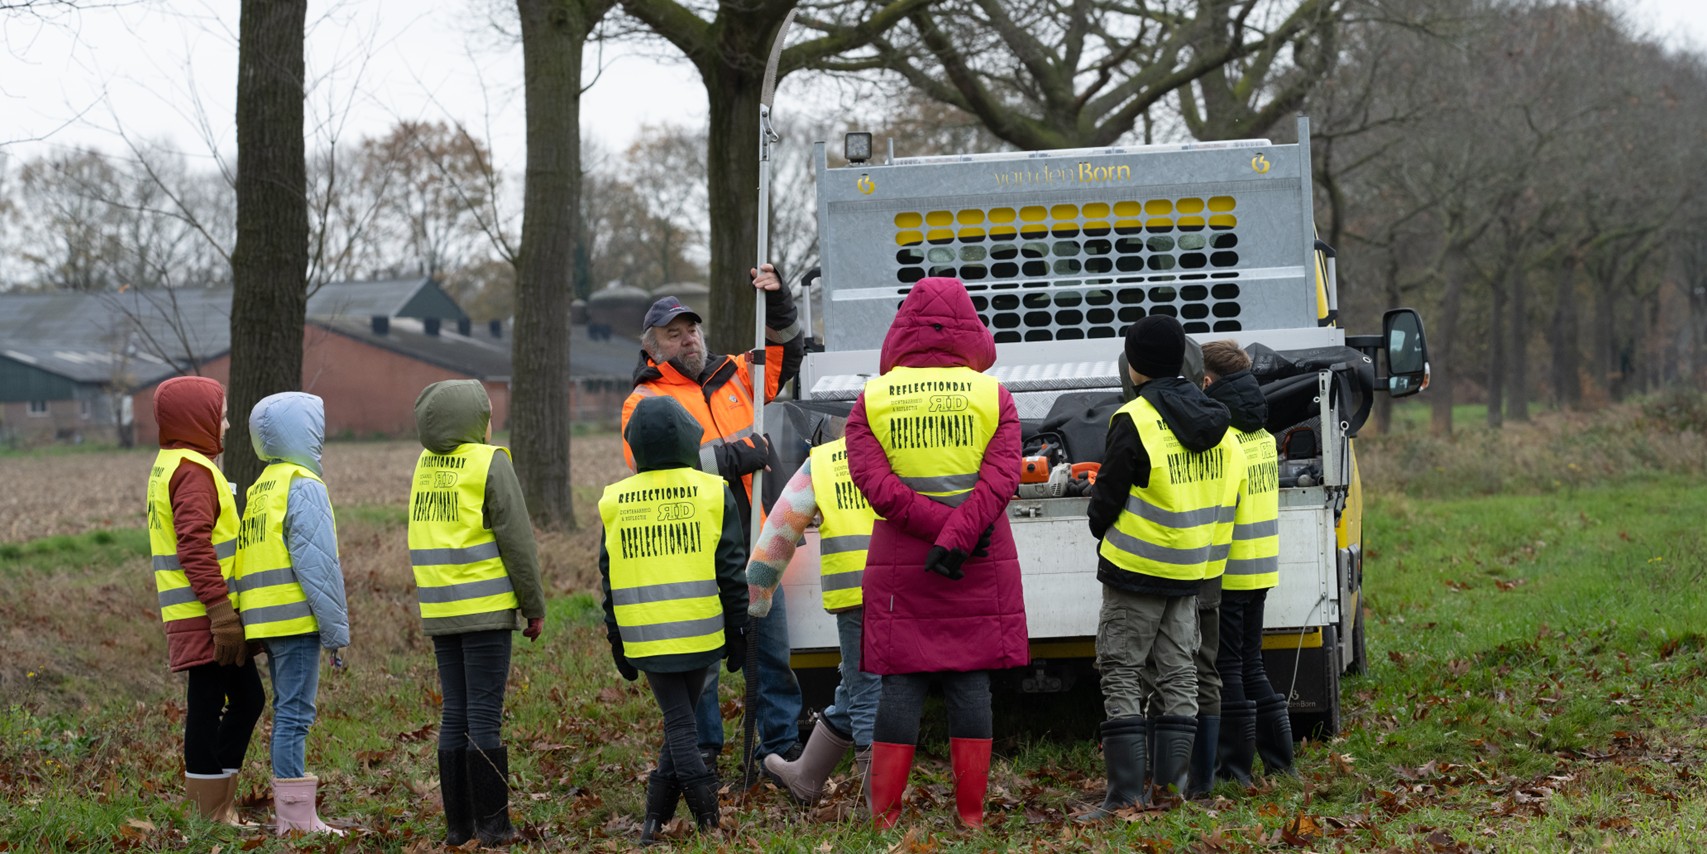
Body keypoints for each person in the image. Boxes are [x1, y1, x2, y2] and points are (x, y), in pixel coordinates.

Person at [844, 276, 1027, 829]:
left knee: (900, 682)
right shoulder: (993, 396)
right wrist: (959, 534)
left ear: (904, 327)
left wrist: (935, 529)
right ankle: (971, 817)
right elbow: (1001, 480)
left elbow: (874, 484)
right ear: (969, 325)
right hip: (979, 555)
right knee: (971, 681)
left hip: (903, 563)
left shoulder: (871, 400)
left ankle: (885, 819)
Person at [619, 264, 806, 775]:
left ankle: (782, 746)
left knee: (772, 654)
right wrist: (733, 458)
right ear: (652, 349)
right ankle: (704, 748)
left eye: (691, 330)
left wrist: (780, 300)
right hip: (691, 549)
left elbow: (788, 353)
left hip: (756, 540)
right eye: (673, 335)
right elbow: (649, 468)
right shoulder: (643, 401)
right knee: (698, 660)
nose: (688, 340)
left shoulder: (737, 373)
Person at [1083, 316, 1244, 816]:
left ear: (1133, 366)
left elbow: (1106, 500)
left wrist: (1099, 520)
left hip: (1134, 572)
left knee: (1121, 674)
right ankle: (1172, 794)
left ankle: (1125, 795)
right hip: (1190, 571)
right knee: (1180, 676)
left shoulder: (1133, 420)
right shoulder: (1221, 422)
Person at [600, 396, 750, 844]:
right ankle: (710, 823)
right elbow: (731, 568)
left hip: (646, 639)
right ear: (689, 438)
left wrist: (616, 638)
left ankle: (653, 824)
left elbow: (609, 578)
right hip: (702, 633)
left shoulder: (615, 500)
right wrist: (739, 627)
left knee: (677, 725)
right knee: (682, 727)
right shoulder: (711, 491)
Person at [408, 380, 547, 847]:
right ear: (472, 419)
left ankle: (458, 826)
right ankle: (494, 827)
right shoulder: (490, 461)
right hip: (485, 610)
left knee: (455, 714)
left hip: (440, 610)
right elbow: (518, 541)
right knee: (485, 716)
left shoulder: (425, 466)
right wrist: (534, 605)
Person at [145, 376, 264, 825]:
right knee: (210, 704)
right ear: (198, 418)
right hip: (204, 614)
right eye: (222, 414)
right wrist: (221, 614)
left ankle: (219, 807)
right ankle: (210, 815)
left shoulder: (173, 462)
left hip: (202, 611)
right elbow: (193, 545)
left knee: (246, 700)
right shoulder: (191, 471)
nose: (228, 424)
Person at [233, 392, 350, 835]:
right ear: (304, 433)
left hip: (266, 620)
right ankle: (296, 822)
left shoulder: (263, 487)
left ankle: (293, 816)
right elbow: (318, 563)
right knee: (295, 715)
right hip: (297, 620)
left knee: (286, 712)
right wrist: (336, 631)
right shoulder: (304, 485)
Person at [747, 434, 880, 806]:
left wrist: (758, 596)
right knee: (860, 684)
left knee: (867, 690)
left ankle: (881, 809)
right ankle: (807, 777)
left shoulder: (824, 461)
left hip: (854, 593)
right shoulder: (906, 447)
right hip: (910, 587)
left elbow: (781, 528)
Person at [1199, 340, 1295, 783]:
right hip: (1261, 566)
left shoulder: (1225, 438)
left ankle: (1234, 769)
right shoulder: (1260, 435)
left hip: (1231, 570)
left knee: (1231, 669)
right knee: (1253, 665)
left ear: (1208, 381)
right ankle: (1280, 762)